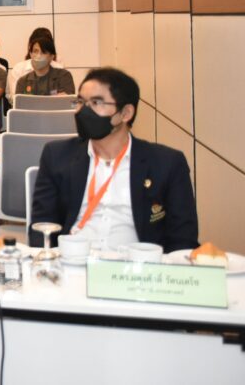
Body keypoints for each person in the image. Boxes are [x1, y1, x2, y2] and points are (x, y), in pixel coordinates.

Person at [30, 68, 198, 253]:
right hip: (72, 261)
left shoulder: (167, 164)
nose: (84, 111)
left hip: (136, 265)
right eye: (80, 102)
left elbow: (183, 241)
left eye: (96, 102)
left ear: (125, 113)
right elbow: (41, 228)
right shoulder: (57, 156)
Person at [6, 27, 65, 102]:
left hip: (54, 108)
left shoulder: (60, 69)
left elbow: (69, 100)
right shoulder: (19, 69)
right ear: (30, 51)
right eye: (36, 51)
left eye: (44, 50)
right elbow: (16, 99)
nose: (39, 55)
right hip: (26, 108)